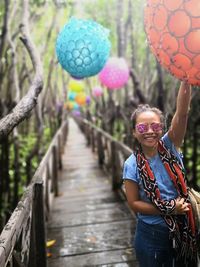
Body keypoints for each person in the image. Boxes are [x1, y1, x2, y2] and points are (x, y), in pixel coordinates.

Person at [122, 81, 198, 267]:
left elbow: (182, 113)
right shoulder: (131, 165)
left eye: (155, 127)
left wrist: (185, 78)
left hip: (184, 227)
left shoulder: (170, 146)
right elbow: (134, 203)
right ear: (134, 132)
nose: (149, 132)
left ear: (162, 129)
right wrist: (169, 208)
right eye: (142, 128)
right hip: (151, 234)